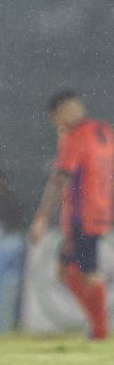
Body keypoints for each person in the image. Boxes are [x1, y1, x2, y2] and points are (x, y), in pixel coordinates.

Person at [28, 91, 112, 340]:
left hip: (82, 216)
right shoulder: (105, 131)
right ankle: (97, 325)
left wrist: (42, 218)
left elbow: (59, 179)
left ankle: (100, 329)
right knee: (66, 270)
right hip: (102, 211)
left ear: (60, 114)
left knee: (88, 272)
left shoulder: (74, 138)